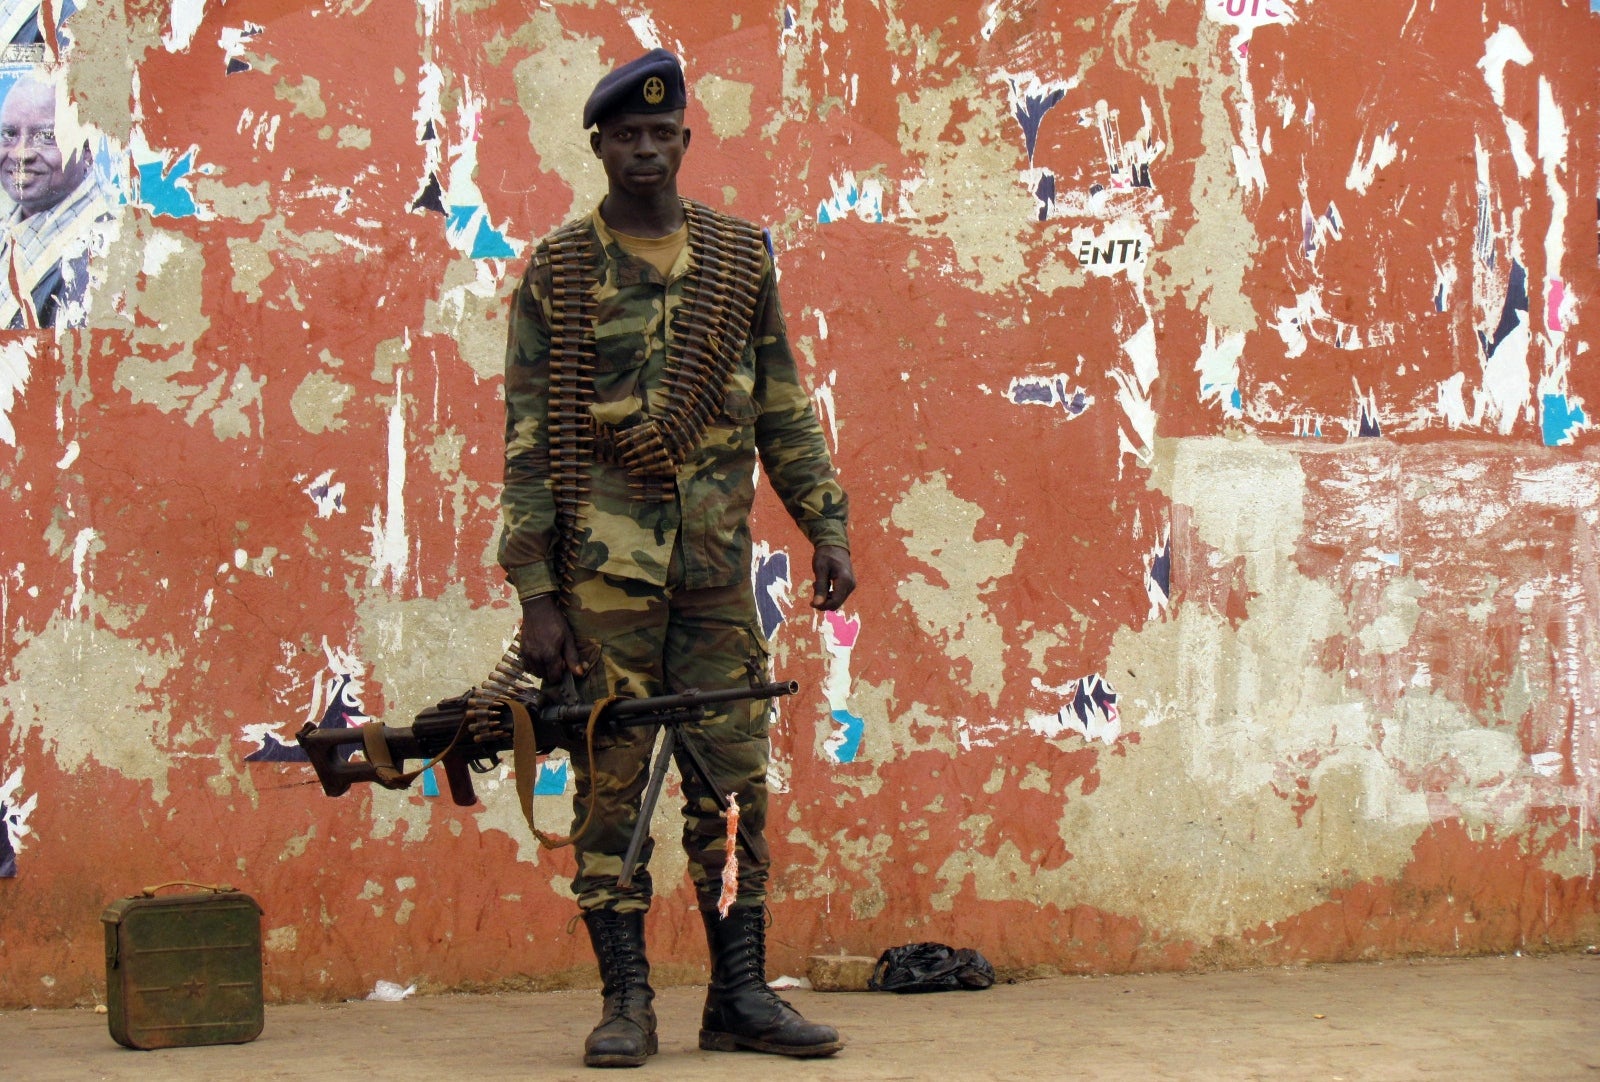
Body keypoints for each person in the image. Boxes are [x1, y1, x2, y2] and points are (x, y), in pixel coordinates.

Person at [498, 48, 855, 1069]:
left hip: (711, 574)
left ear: (685, 142)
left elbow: (782, 404)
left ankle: (740, 993)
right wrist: (536, 592)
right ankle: (625, 1003)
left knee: (733, 787)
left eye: (662, 134)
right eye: (626, 135)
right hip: (601, 582)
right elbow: (528, 436)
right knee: (614, 788)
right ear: (599, 145)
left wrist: (824, 522)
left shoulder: (740, 261)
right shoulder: (560, 271)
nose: (645, 149)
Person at [0, 72, 112, 329]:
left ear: (88, 150)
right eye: (9, 134)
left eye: (47, 137)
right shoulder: (12, 228)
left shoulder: (105, 254)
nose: (20, 153)